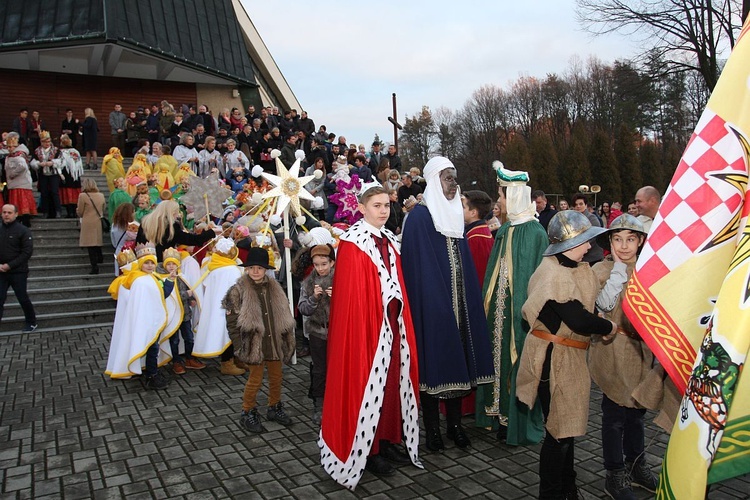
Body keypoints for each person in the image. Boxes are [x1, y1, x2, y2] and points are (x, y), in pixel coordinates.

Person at [320, 186, 421, 489]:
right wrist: (373, 322)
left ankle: (390, 439)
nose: (383, 211)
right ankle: (370, 449)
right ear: (362, 208)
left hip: (393, 324)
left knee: (392, 383)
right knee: (367, 383)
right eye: (376, 205)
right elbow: (353, 297)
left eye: (386, 206)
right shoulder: (352, 243)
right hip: (368, 329)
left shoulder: (390, 240)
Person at [515, 210, 617, 499]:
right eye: (584, 242)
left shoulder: (566, 267)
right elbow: (579, 321)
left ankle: (567, 489)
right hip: (554, 360)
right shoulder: (554, 275)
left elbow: (582, 309)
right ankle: (551, 493)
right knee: (559, 434)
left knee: (564, 432)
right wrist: (608, 325)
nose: (589, 247)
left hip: (565, 356)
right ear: (569, 244)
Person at [400, 156, 494, 452]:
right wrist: (434, 302)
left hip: (460, 305)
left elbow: (462, 263)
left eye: (455, 178)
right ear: (433, 180)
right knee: (433, 368)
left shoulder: (455, 215)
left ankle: (454, 426)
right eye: (447, 178)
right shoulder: (418, 218)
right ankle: (432, 431)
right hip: (432, 307)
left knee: (459, 363)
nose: (454, 184)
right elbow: (417, 267)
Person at [475, 163, 548, 445]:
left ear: (515, 196)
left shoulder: (535, 233)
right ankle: (496, 412)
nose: (499, 202)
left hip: (519, 316)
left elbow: (537, 279)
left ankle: (514, 418)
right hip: (499, 313)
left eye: (503, 196)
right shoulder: (505, 230)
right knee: (497, 360)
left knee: (517, 364)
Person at [589, 215, 658, 499]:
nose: (624, 245)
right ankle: (614, 472)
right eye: (618, 239)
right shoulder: (602, 269)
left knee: (636, 414)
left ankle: (636, 463)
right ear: (610, 241)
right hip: (612, 349)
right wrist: (618, 268)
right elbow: (603, 303)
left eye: (631, 239)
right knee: (614, 415)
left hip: (640, 353)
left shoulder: (649, 269)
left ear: (641, 241)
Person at [223, 246, 296, 433]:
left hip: (274, 342)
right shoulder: (238, 291)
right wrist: (241, 345)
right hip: (254, 344)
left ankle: (274, 406)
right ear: (246, 269)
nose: (256, 271)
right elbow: (232, 322)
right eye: (252, 267)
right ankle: (247, 411)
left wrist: (286, 337)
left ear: (266, 270)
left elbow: (284, 312)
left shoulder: (274, 288)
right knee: (255, 379)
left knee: (276, 377)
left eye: (260, 268)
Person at [297, 244, 335, 425]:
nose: (320, 268)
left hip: (337, 332)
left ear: (332, 262)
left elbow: (353, 307)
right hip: (317, 332)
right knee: (319, 369)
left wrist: (338, 298)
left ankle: (337, 402)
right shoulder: (308, 283)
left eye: (324, 264)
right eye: (317, 264)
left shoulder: (342, 279)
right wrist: (313, 298)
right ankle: (319, 405)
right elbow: (302, 309)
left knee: (337, 368)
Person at [160, 248, 206, 375]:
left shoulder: (181, 276)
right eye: (168, 264)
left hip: (185, 314)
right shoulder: (163, 279)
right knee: (174, 340)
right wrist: (187, 294)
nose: (171, 267)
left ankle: (190, 358)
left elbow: (187, 287)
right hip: (173, 315)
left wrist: (191, 298)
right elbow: (172, 295)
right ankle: (176, 361)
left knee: (189, 337)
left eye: (173, 264)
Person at [0, 204, 37, 332]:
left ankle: (31, 322)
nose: (6, 215)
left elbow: (27, 252)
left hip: (18, 272)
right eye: (4, 212)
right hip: (1, 271)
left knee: (22, 297)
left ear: (16, 214)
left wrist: (9, 265)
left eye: (9, 212)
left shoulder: (23, 230)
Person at [2, 132, 38, 226]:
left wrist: (13, 174)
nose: (9, 149)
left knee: (21, 202)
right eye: (8, 147)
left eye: (11, 147)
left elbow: (23, 166)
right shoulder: (10, 156)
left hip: (20, 183)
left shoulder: (18, 155)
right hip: (14, 183)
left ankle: (25, 220)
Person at [461, 190, 494, 288]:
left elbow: (475, 274)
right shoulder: (480, 232)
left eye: (463, 207)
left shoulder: (476, 238)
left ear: (473, 213)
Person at [77, 178, 106, 274]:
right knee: (97, 241)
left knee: (90, 244)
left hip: (88, 222)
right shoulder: (101, 195)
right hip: (98, 221)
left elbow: (80, 211)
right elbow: (103, 208)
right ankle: (100, 257)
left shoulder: (83, 196)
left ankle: (94, 266)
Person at [30, 131, 61, 219]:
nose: (47, 144)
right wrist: (39, 164)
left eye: (48, 141)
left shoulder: (55, 150)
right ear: (41, 142)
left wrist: (52, 162)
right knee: (44, 193)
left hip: (53, 174)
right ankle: (45, 211)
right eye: (44, 142)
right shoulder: (37, 151)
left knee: (55, 192)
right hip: (43, 174)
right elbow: (32, 162)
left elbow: (61, 161)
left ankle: (57, 211)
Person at [54, 134, 84, 218]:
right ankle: (74, 212)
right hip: (75, 175)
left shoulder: (61, 152)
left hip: (66, 174)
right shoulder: (76, 151)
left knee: (67, 192)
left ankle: (69, 212)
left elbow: (59, 163)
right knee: (75, 193)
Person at [572, 194, 604, 264]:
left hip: (593, 257)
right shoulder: (572, 219)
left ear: (586, 205)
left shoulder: (592, 218)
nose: (578, 206)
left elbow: (594, 236)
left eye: (581, 204)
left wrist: (580, 249)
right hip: (579, 256)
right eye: (576, 204)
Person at [110, 203, 135, 274]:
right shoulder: (133, 227)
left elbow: (114, 243)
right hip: (131, 254)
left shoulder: (114, 225)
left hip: (119, 253)